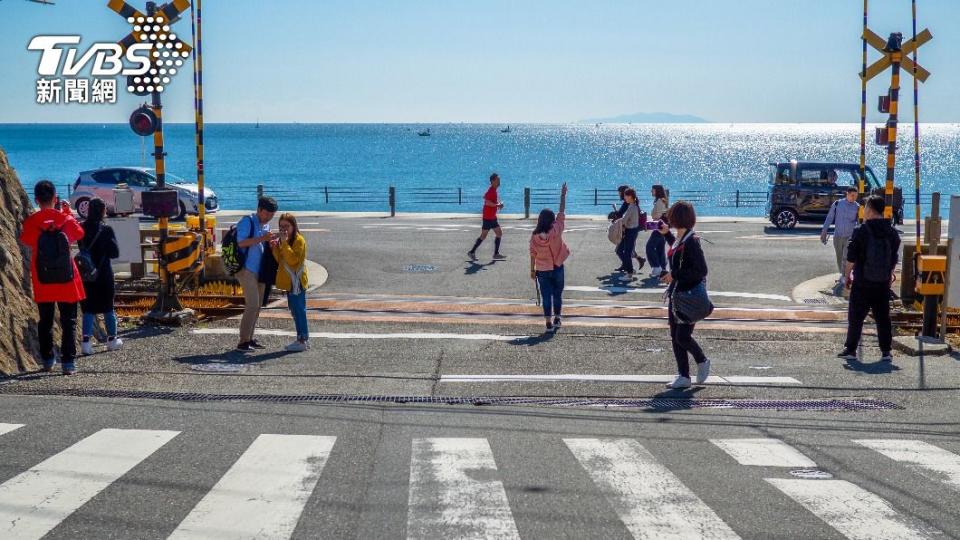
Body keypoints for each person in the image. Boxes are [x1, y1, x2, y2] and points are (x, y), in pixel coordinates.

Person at [19, 180, 85, 375]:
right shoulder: (65, 219)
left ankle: (48, 359)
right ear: (55, 198)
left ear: (37, 199)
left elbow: (27, 240)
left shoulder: (31, 222)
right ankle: (68, 363)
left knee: (45, 321)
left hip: (43, 278)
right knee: (69, 321)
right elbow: (79, 234)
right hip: (66, 278)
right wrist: (66, 214)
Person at [837, 195, 900, 362]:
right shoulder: (892, 232)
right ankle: (886, 352)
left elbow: (851, 258)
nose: (863, 211)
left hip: (863, 282)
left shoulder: (861, 231)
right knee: (883, 318)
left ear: (870, 210)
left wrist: (847, 276)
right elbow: (893, 259)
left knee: (856, 317)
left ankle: (851, 350)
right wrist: (888, 275)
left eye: (865, 208)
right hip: (882, 283)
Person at [659, 201, 711, 389]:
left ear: (676, 218)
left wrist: (674, 274)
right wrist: (667, 236)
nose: (668, 219)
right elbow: (678, 253)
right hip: (678, 295)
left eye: (671, 216)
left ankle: (702, 360)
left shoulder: (692, 241)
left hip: (688, 297)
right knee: (675, 335)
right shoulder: (682, 237)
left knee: (682, 336)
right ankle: (683, 376)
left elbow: (700, 270)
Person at [78, 198, 121, 356]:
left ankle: (86, 344)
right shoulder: (106, 229)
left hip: (86, 274)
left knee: (88, 309)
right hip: (103, 273)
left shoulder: (81, 228)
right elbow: (114, 253)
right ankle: (112, 340)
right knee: (108, 307)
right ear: (103, 210)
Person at [236, 196, 278, 351]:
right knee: (252, 304)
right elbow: (241, 242)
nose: (268, 218)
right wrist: (262, 238)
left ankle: (249, 338)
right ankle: (242, 341)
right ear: (259, 209)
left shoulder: (265, 225)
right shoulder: (247, 221)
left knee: (258, 305)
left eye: (272, 215)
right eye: (267, 214)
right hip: (246, 269)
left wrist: (271, 241)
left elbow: (263, 242)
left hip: (260, 269)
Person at [530, 183, 570, 332]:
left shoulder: (535, 236)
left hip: (542, 269)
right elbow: (561, 210)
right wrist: (563, 195)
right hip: (557, 266)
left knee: (546, 295)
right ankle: (557, 318)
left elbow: (532, 253)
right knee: (557, 294)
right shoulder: (557, 229)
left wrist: (532, 270)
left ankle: (547, 322)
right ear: (552, 220)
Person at [271, 213, 310, 352]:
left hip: (297, 281)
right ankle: (301, 338)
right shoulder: (284, 241)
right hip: (289, 281)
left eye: (287, 226)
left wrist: (284, 243)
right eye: (281, 227)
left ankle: (303, 339)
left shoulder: (299, 240)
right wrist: (275, 247)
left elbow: (293, 260)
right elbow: (280, 260)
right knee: (294, 310)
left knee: (299, 310)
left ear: (294, 226)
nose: (284, 230)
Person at [821, 186, 861, 290]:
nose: (854, 198)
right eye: (852, 195)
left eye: (856, 196)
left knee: (845, 257)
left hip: (849, 236)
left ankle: (844, 276)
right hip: (838, 235)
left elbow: (860, 223)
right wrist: (824, 232)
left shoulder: (857, 207)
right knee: (839, 256)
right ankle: (842, 274)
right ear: (847, 194)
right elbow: (829, 217)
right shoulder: (837, 204)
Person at [467, 173, 506, 260]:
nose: (499, 181)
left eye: (499, 180)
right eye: (497, 180)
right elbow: (487, 202)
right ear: (492, 181)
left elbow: (491, 203)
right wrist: (497, 206)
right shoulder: (491, 191)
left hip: (492, 217)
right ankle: (471, 252)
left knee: (499, 233)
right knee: (483, 236)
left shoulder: (494, 190)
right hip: (488, 218)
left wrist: (499, 205)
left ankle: (496, 254)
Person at [611, 185, 645, 270]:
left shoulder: (629, 204)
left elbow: (622, 215)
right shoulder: (630, 203)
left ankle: (629, 269)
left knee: (625, 251)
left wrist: (616, 218)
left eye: (619, 192)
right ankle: (628, 265)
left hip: (630, 229)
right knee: (626, 250)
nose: (619, 194)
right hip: (631, 229)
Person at [645, 184, 670, 278]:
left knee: (649, 247)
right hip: (662, 227)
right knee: (660, 248)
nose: (651, 192)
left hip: (659, 227)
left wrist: (650, 222)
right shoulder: (663, 200)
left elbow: (657, 216)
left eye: (653, 190)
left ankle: (656, 267)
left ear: (657, 191)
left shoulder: (659, 201)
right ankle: (662, 269)